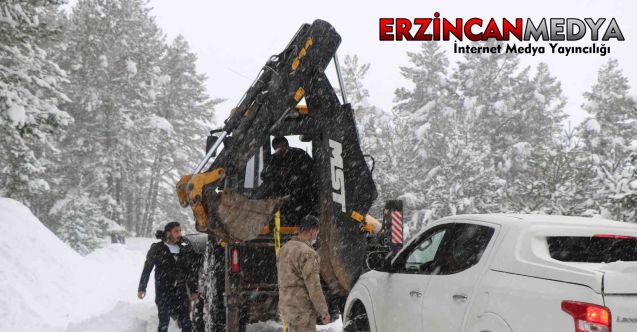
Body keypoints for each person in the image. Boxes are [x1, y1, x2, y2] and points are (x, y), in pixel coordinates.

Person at [138, 222, 198, 332]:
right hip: (163, 291)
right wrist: (142, 288)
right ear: (168, 233)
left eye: (180, 231)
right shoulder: (157, 248)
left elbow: (189, 271)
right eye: (176, 231)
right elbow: (147, 269)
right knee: (164, 321)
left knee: (186, 321)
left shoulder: (183, 249)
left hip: (180, 291)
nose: (179, 234)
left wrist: (193, 289)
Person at [277, 215, 330, 332]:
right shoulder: (308, 253)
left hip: (287, 307)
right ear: (311, 232)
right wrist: (323, 311)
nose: (316, 236)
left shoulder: (284, 249)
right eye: (317, 232)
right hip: (302, 310)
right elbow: (314, 286)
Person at [261, 136, 317, 225]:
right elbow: (265, 175)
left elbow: (309, 173)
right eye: (277, 147)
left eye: (282, 146)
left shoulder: (299, 154)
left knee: (300, 212)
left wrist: (294, 180)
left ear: (286, 145)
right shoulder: (273, 159)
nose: (280, 149)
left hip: (302, 194)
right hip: (283, 194)